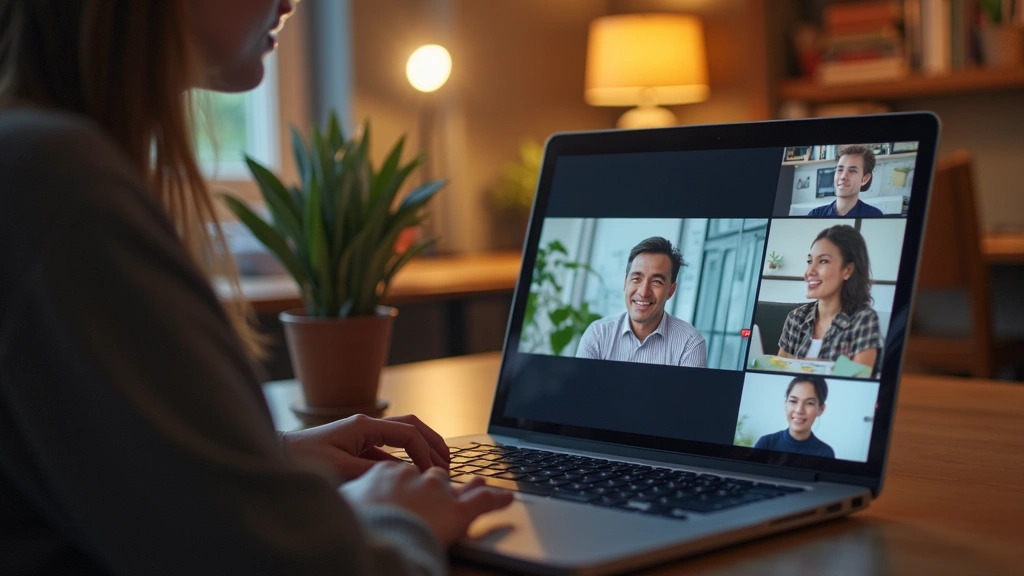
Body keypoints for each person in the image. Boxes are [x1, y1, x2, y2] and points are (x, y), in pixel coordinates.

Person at [0, 1, 511, 574]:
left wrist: (264, 457)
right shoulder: (57, 183)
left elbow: (87, 459)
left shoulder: (33, 156)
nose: (291, 2)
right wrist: (396, 521)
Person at [577, 237, 707, 367]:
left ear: (670, 291)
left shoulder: (690, 344)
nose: (644, 292)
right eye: (636, 279)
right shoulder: (598, 334)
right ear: (625, 283)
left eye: (656, 282)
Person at [777, 225, 884, 371]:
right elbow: (777, 370)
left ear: (847, 270)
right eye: (809, 261)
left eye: (823, 261)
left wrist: (813, 367)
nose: (809, 272)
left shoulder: (863, 320)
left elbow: (858, 380)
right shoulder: (796, 318)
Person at [753, 376, 836, 458]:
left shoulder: (825, 453)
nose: (799, 410)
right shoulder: (766, 443)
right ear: (785, 404)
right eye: (793, 401)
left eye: (809, 403)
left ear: (821, 409)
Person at [807, 144, 884, 217]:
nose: (843, 176)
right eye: (840, 169)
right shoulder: (815, 214)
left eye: (852, 170)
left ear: (865, 179)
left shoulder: (874, 215)